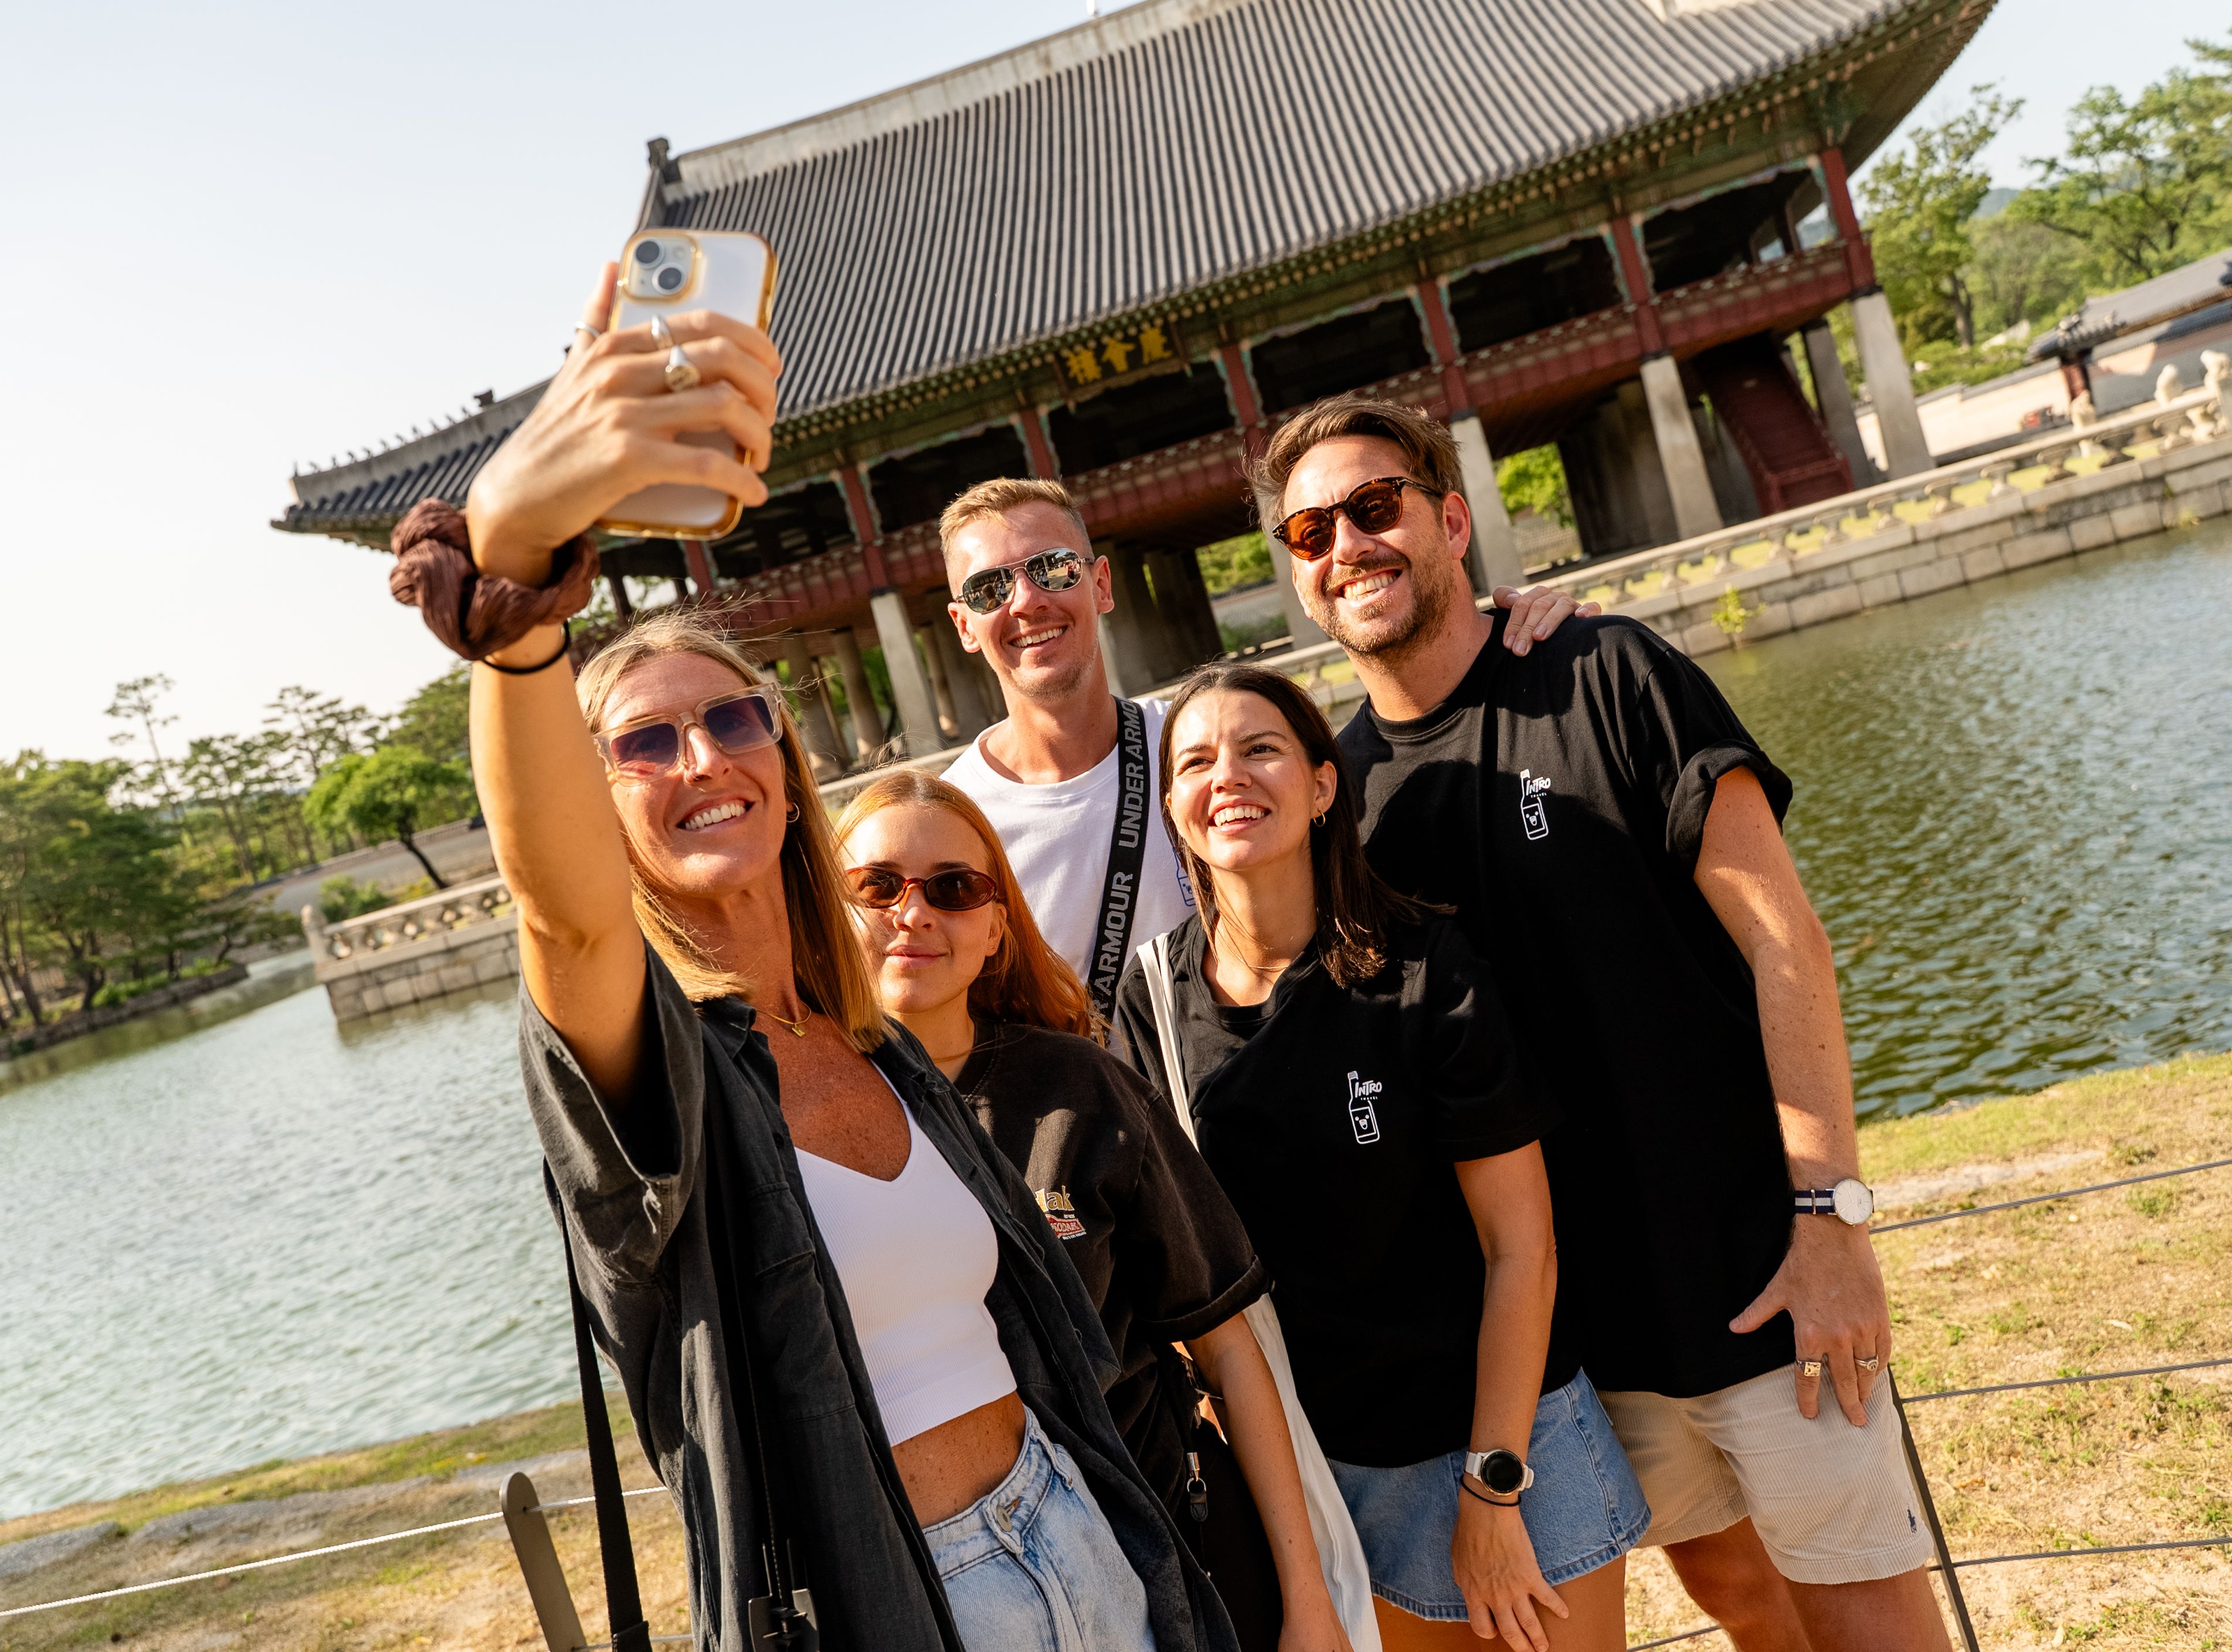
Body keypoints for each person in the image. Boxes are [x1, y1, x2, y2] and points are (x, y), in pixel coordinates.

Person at [442, 265, 1237, 1652]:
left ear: (782, 755)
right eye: (640, 741)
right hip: (898, 1599)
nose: (701, 759)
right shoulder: (657, 1065)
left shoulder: (868, 1032)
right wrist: (516, 598)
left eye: (732, 721)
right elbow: (562, 912)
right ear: (595, 793)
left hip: (1069, 1522)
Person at [1257, 395, 1944, 1652]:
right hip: (1575, 1338)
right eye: (1309, 531)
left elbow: (1781, 939)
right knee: (1733, 1595)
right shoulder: (1337, 801)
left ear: (1449, 520)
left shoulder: (1604, 672)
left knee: (1867, 1621)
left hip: (1756, 1264)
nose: (1345, 545)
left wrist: (1827, 1216)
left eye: (1372, 508)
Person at [1115, 663, 1646, 1652]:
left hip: (1506, 1443)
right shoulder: (1149, 1004)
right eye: (1195, 761)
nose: (1228, 775)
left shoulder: (1424, 967)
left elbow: (1520, 1246)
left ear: (1323, 785)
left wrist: (1492, 1486)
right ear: (1177, 810)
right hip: (1326, 1475)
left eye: (1260, 748)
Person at [837, 769, 1359, 1652]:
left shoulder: (1080, 1087)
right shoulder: (796, 1126)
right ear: (826, 910)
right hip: (955, 1585)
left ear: (998, 927)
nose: (913, 913)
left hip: (1174, 1545)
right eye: (876, 886)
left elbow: (1227, 1346)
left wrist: (1310, 1601)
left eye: (956, 888)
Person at [933, 478, 1594, 1023]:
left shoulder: (1210, 748)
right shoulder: (950, 829)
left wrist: (1526, 645)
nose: (1026, 602)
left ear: (1101, 584)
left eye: (1052, 568)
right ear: (963, 624)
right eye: (990, 589)